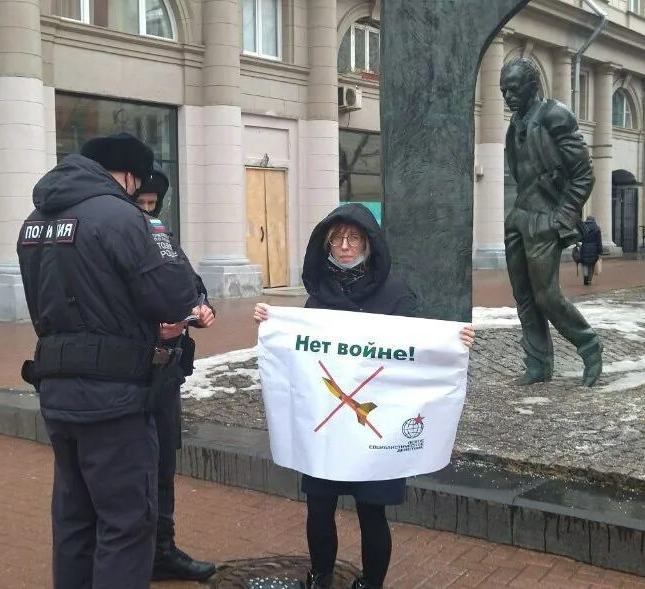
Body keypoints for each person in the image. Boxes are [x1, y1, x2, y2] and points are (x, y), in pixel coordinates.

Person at [253, 203, 475, 589]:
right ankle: (320, 575)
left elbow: (416, 353)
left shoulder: (395, 296)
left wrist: (454, 342)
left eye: (353, 237)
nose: (344, 246)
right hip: (328, 427)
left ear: (368, 243)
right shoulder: (318, 297)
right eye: (336, 238)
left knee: (372, 512)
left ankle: (372, 583)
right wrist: (273, 325)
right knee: (319, 507)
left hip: (378, 428)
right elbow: (302, 355)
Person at [17, 132, 201, 589]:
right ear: (125, 174)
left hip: (58, 387)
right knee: (126, 522)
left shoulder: (35, 221)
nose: (137, 192)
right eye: (135, 183)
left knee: (75, 519)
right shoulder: (123, 218)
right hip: (116, 395)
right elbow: (176, 293)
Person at [134, 164, 218, 582]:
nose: (148, 211)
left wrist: (202, 308)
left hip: (167, 373)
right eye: (141, 204)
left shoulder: (164, 239)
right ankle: (132, 554)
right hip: (131, 376)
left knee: (165, 464)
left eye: (153, 205)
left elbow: (191, 283)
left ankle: (162, 550)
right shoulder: (116, 239)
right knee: (136, 471)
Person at [500, 57, 603, 387]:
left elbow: (584, 174)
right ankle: (538, 363)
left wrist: (563, 216)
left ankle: (588, 343)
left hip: (545, 219)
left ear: (533, 85)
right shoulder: (513, 124)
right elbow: (519, 174)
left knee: (546, 296)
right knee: (524, 297)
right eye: (503, 91)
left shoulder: (554, 115)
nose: (508, 96)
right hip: (520, 217)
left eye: (513, 89)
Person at [580, 216, 603, 286]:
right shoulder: (597, 228)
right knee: (592, 265)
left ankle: (585, 278)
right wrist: (600, 252)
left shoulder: (582, 228)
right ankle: (589, 280)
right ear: (593, 220)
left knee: (585, 264)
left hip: (584, 248)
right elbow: (599, 242)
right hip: (594, 249)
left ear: (587, 220)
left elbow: (579, 239)